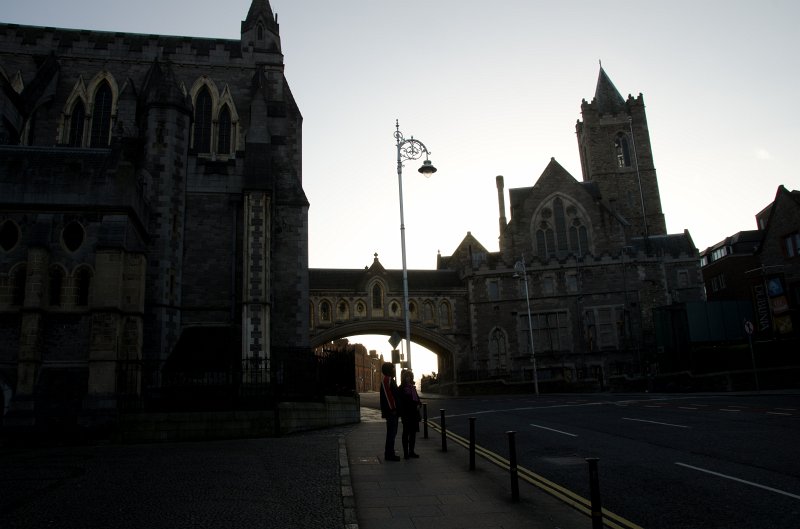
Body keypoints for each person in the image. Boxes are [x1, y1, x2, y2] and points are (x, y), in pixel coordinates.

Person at [379, 362, 401, 461]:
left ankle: (390, 453)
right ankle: (389, 455)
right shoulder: (387, 380)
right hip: (391, 412)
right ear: (389, 370)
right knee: (391, 433)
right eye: (393, 368)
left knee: (392, 433)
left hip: (392, 412)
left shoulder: (390, 380)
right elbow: (388, 396)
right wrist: (393, 409)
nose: (394, 370)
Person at [399, 369, 422, 459]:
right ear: (404, 378)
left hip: (414, 414)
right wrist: (402, 414)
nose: (408, 378)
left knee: (413, 434)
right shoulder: (401, 388)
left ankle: (411, 451)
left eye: (410, 377)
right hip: (406, 414)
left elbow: (417, 399)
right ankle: (406, 453)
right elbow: (401, 403)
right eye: (407, 377)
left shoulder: (412, 388)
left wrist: (419, 404)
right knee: (406, 433)